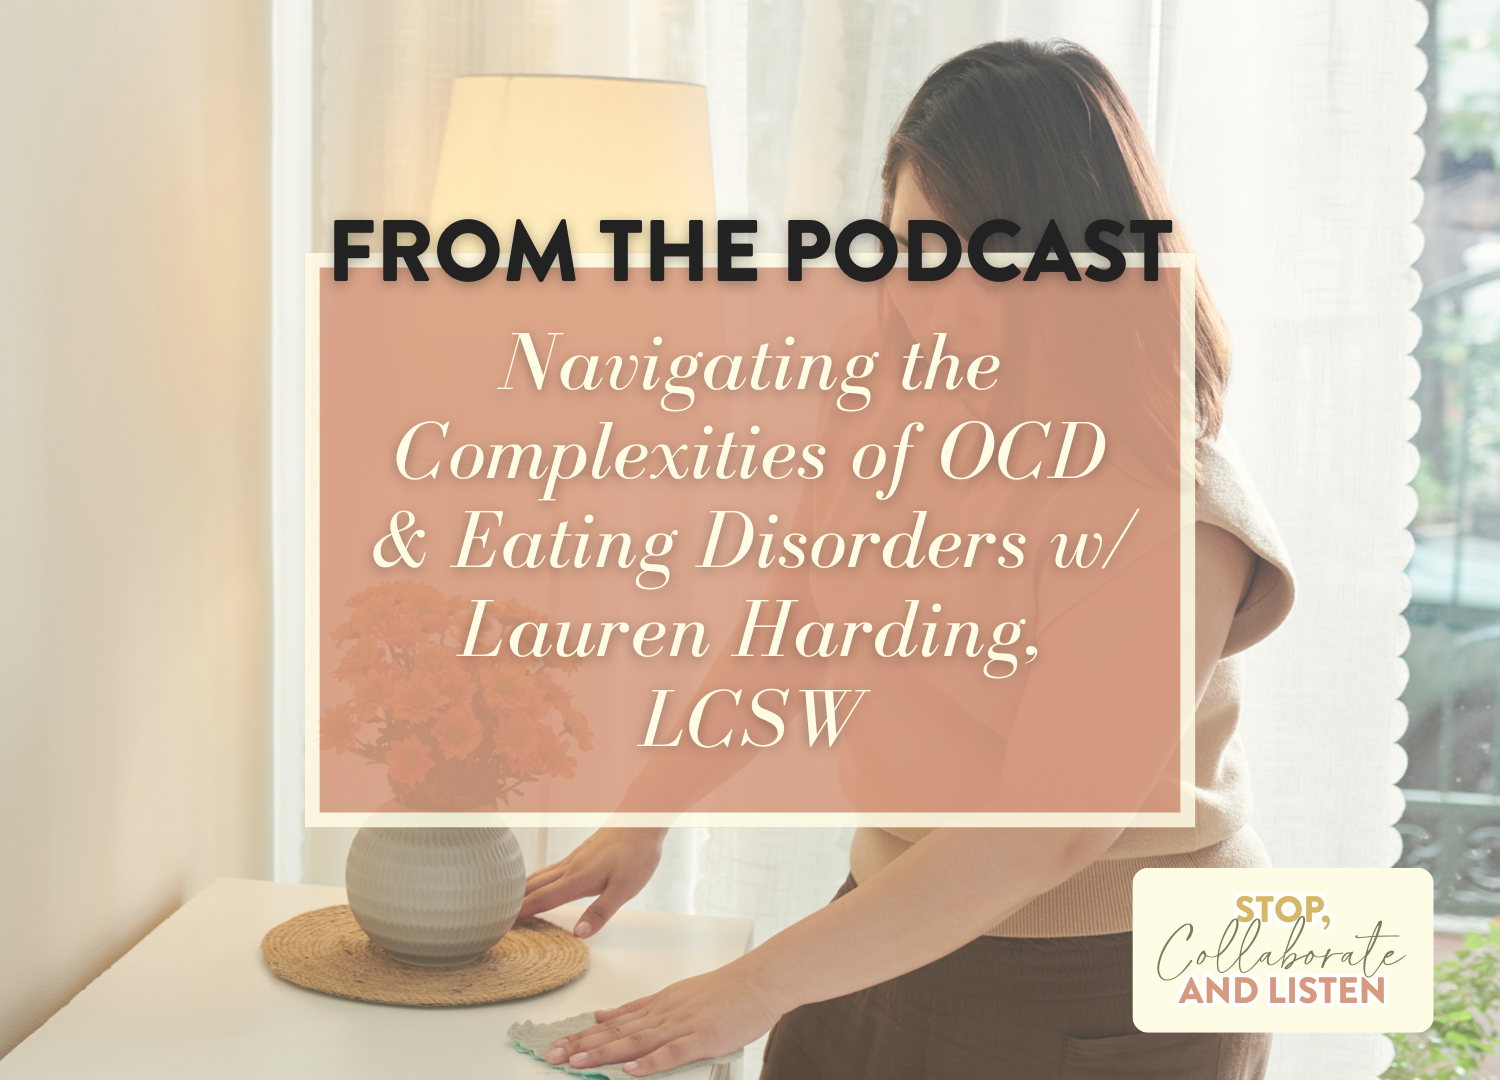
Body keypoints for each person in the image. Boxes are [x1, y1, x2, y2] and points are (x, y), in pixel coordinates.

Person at [518, 38, 1294, 1080]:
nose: (944, 302)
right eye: (920, 249)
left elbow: (1044, 835)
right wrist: (647, 813)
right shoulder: (883, 373)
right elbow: (801, 611)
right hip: (902, 913)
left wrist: (749, 986)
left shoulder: (1169, 504)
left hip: (1113, 976)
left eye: (994, 259)